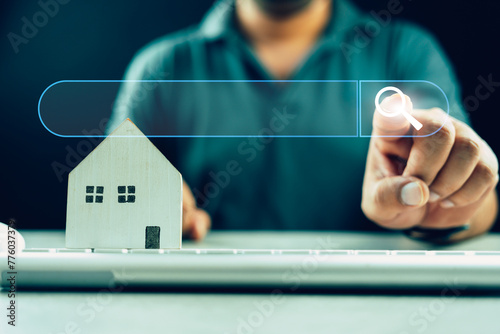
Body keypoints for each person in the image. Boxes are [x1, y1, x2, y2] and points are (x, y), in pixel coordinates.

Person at [107, 0, 498, 243]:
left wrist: (447, 205)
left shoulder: (404, 51)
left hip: (373, 310)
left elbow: (475, 188)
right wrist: (145, 211)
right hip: (200, 309)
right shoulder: (163, 68)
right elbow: (110, 196)